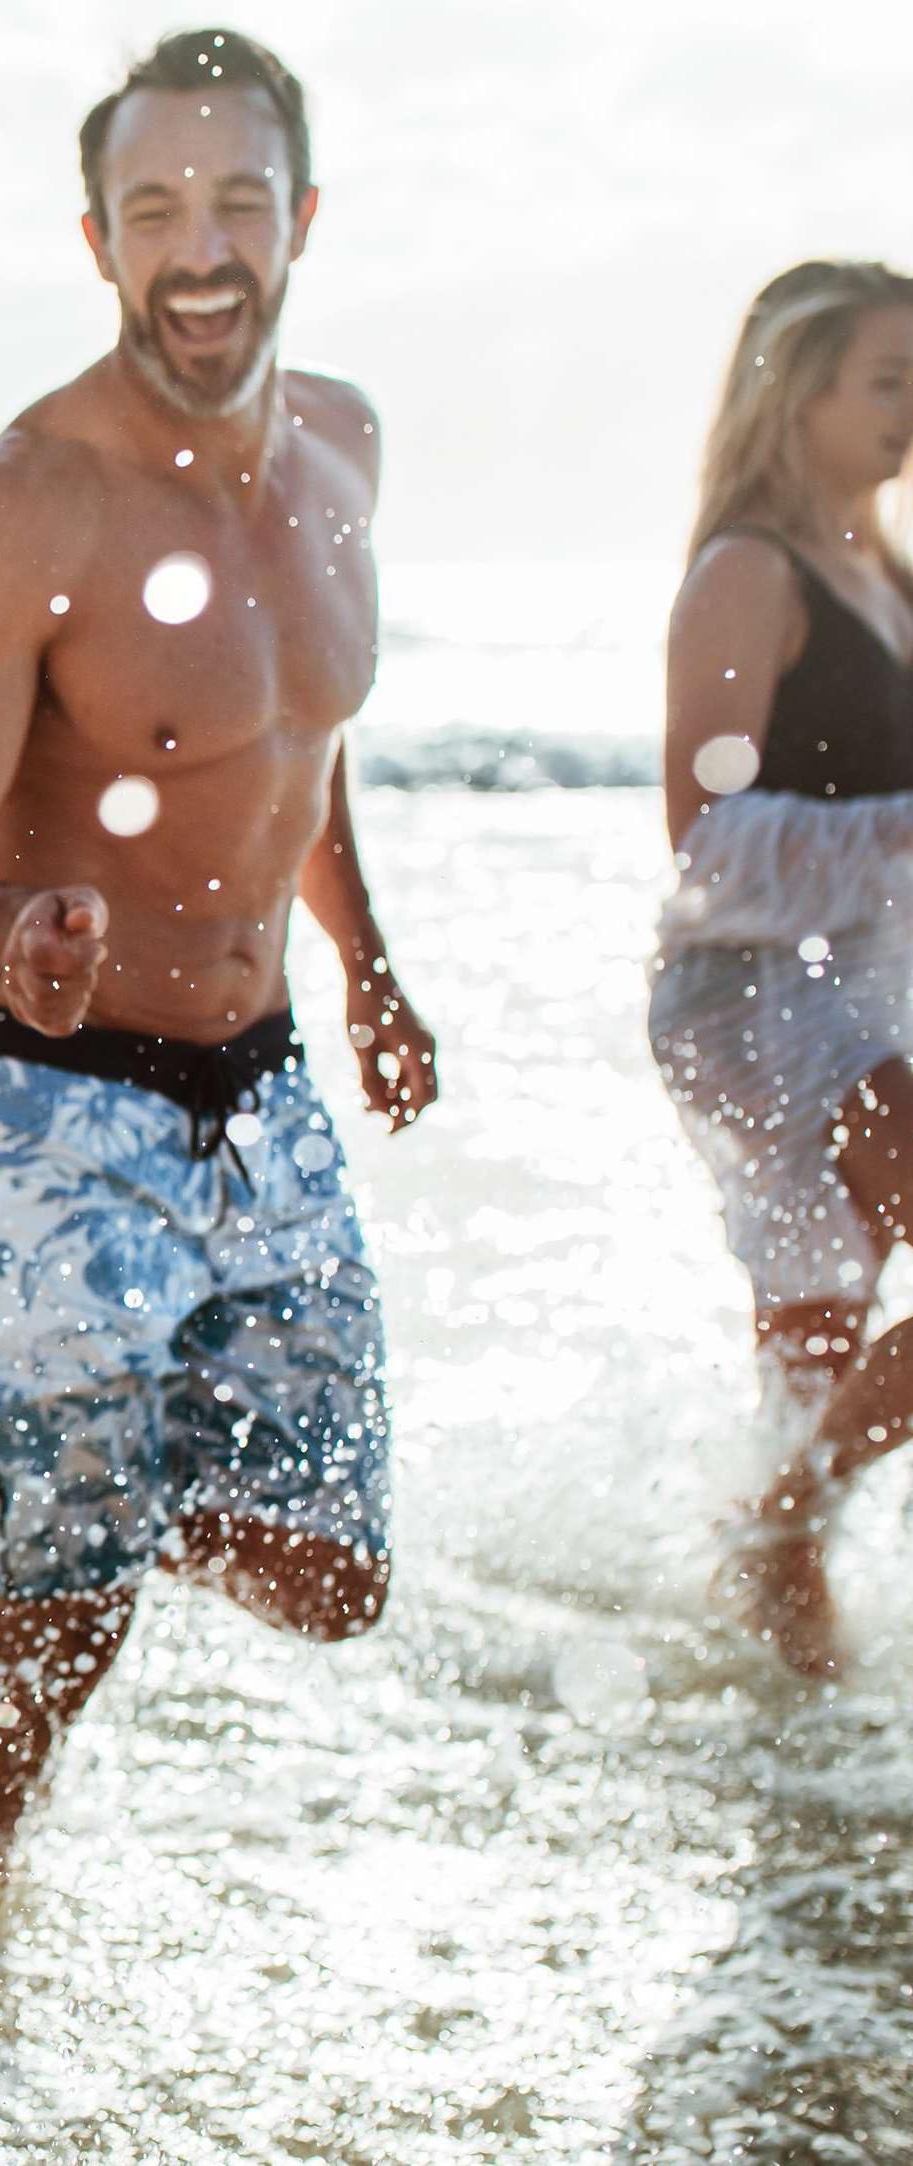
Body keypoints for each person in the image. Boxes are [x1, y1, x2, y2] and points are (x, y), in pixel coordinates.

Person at [0, 27, 437, 1907]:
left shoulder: (344, 442)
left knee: (335, 1573)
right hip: (46, 1096)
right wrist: (6, 933)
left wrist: (373, 968)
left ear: (305, 220)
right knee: (65, 1619)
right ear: (96, 238)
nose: (203, 246)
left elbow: (295, 746)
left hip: (260, 1089)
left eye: (241, 201)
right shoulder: (14, 505)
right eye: (156, 206)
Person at [649, 260, 913, 1682]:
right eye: (890, 379)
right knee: (816, 1345)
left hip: (876, 984)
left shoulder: (886, 570)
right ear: (799, 391)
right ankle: (784, 1521)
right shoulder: (750, 570)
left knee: (813, 1358)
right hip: (755, 992)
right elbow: (704, 834)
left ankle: (785, 1677)